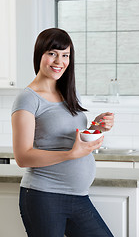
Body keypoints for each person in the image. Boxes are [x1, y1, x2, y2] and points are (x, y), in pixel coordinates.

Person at [11, 28, 114, 237]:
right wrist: (70, 154)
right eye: (52, 53)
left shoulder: (68, 92)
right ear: (39, 54)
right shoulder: (28, 99)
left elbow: (69, 137)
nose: (59, 61)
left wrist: (96, 128)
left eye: (65, 55)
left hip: (78, 197)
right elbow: (22, 157)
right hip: (43, 197)